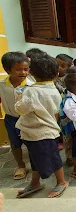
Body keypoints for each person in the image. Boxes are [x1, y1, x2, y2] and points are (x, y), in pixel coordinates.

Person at [15, 52, 68, 198]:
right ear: (56, 73)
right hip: (44, 131)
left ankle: (62, 181)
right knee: (36, 159)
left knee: (52, 158)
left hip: (39, 132)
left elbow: (21, 109)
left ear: (31, 72)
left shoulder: (31, 91)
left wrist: (19, 97)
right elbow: (57, 111)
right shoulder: (54, 89)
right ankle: (35, 183)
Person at [0, 52, 33, 181]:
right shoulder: (2, 85)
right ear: (8, 70)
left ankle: (36, 165)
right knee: (15, 143)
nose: (23, 72)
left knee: (31, 143)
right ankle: (20, 165)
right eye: (19, 69)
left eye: (26, 69)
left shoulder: (30, 85)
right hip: (11, 119)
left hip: (28, 119)